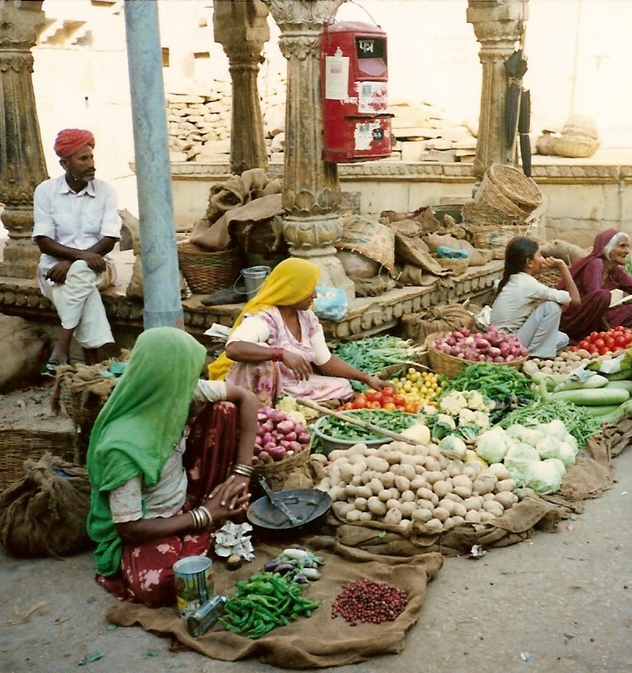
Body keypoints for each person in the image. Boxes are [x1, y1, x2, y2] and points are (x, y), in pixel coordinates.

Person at [87, 327, 258, 608]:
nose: (195, 380)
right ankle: (204, 528)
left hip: (184, 494)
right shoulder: (123, 446)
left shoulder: (179, 393)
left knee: (224, 410)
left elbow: (246, 398)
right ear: (168, 377)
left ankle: (204, 522)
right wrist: (204, 516)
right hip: (149, 521)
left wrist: (241, 473)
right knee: (163, 586)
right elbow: (130, 529)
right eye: (189, 373)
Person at [207, 257, 390, 405]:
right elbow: (233, 349)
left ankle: (293, 403)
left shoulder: (307, 317)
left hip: (293, 386)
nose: (315, 295)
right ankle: (263, 411)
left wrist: (365, 378)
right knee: (261, 358)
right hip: (261, 387)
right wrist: (279, 353)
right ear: (292, 290)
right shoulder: (265, 318)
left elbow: (324, 360)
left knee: (343, 386)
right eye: (309, 289)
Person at [33, 129, 120, 375]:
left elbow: (110, 239)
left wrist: (71, 263)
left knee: (79, 273)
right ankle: (93, 365)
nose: (91, 164)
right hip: (53, 271)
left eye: (91, 157)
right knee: (83, 288)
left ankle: (61, 347)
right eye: (83, 159)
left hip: (101, 268)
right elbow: (43, 241)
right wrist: (80, 258)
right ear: (64, 163)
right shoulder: (46, 191)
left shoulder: (105, 191)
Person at [489, 236, 579, 358]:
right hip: (508, 343)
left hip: (500, 340)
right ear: (529, 262)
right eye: (539, 255)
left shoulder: (515, 279)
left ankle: (534, 351)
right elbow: (575, 301)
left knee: (563, 339)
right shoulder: (528, 284)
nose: (543, 259)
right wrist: (562, 267)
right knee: (551, 307)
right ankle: (536, 356)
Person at [558, 229, 632, 342]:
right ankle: (585, 336)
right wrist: (608, 331)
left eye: (627, 246)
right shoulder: (595, 264)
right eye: (622, 246)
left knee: (631, 311)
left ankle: (596, 332)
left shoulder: (615, 272)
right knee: (603, 296)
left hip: (592, 316)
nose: (627, 251)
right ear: (607, 248)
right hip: (572, 316)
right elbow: (596, 300)